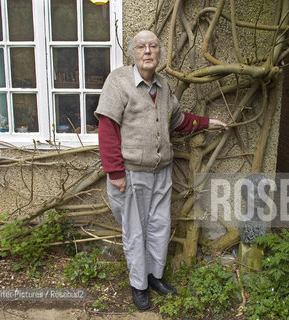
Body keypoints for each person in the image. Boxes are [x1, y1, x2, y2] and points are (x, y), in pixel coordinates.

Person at [95, 30, 228, 310]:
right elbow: (107, 128)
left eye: (153, 46)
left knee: (158, 226)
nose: (147, 52)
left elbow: (179, 120)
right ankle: (138, 285)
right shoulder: (118, 82)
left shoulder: (163, 86)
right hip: (131, 173)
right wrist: (115, 172)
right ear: (133, 52)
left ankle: (154, 276)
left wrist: (207, 122)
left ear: (159, 53)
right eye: (141, 47)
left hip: (161, 172)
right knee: (134, 231)